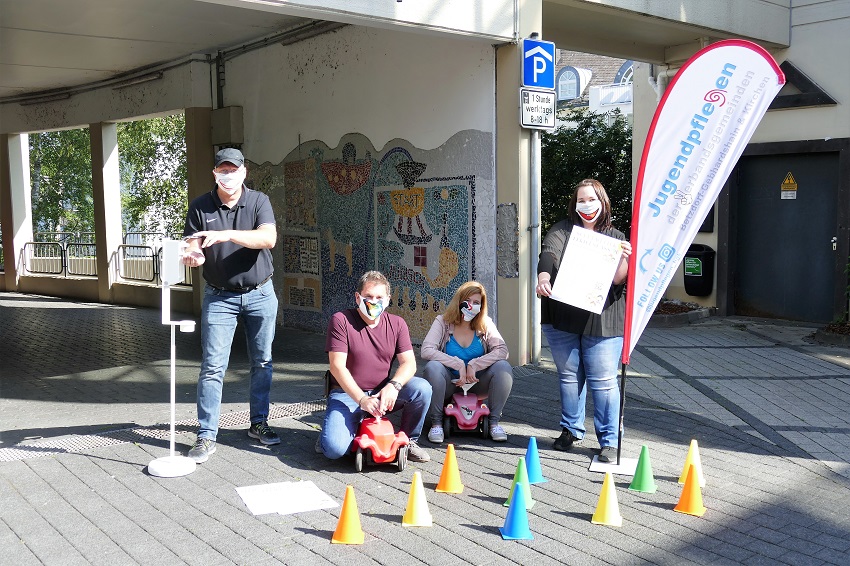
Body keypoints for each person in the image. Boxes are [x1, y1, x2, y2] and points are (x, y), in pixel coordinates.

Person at [181, 147, 279, 463]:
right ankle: (206, 435)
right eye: (222, 171)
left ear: (243, 173)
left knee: (262, 361)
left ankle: (258, 424)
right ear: (215, 174)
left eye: (233, 170)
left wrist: (226, 235)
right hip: (219, 296)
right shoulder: (200, 206)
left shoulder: (259, 201)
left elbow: (267, 239)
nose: (228, 176)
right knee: (212, 366)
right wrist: (193, 256)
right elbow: (193, 245)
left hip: (261, 294)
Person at [535, 178, 632, 463]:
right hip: (563, 316)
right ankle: (571, 429)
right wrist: (543, 277)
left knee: (602, 381)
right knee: (568, 377)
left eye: (592, 199)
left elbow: (618, 279)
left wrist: (623, 258)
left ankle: (610, 441)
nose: (587, 205)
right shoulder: (561, 230)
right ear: (574, 204)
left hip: (603, 320)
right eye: (582, 200)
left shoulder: (616, 237)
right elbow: (548, 255)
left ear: (603, 203)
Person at [318, 270, 432, 463]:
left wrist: (393, 386)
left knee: (422, 389)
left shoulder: (397, 324)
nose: (374, 301)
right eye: (368, 296)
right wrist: (362, 399)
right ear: (357, 297)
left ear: (388, 299)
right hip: (347, 394)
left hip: (381, 393)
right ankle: (338, 434)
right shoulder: (341, 320)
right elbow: (337, 366)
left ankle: (408, 440)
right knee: (334, 450)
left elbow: (409, 363)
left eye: (379, 297)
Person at [421, 281, 513, 443]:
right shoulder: (442, 322)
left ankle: (493, 423)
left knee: (503, 367)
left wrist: (475, 364)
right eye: (468, 301)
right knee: (433, 367)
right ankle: (436, 423)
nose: (471, 306)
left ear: (481, 306)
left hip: (476, 383)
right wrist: (456, 364)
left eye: (476, 303)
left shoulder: (485, 324)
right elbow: (427, 350)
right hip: (450, 384)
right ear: (459, 301)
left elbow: (502, 351)